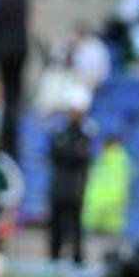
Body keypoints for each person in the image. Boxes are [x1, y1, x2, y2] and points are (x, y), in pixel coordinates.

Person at [49, 102, 94, 267]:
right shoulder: (62, 134)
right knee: (56, 224)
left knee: (75, 225)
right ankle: (54, 258)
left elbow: (81, 157)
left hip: (75, 187)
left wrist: (69, 153)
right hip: (60, 185)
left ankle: (77, 257)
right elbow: (56, 154)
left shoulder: (84, 136)